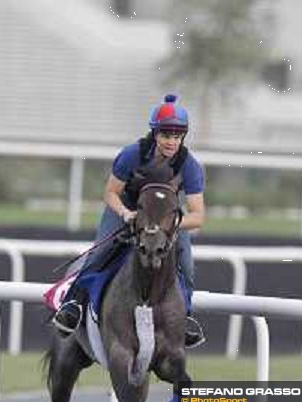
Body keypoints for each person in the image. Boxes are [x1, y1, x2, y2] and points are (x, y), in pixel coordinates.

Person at [53, 93, 206, 349]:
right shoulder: (132, 154)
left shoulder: (189, 165)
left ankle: (186, 317)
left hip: (166, 215)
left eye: (177, 136)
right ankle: (73, 304)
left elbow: (198, 216)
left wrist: (166, 225)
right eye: (166, 135)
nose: (171, 142)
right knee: (102, 252)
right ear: (155, 134)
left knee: (187, 265)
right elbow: (110, 192)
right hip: (128, 207)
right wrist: (125, 213)